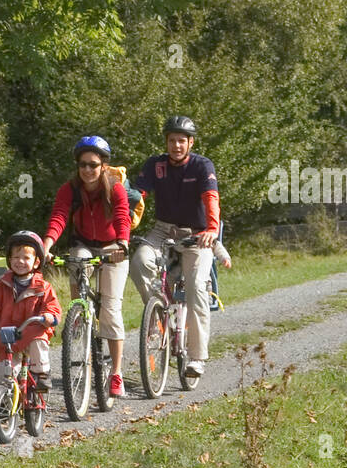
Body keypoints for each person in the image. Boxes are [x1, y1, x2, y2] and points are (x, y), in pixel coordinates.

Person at [130, 115, 220, 379]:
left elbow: (211, 198)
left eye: (181, 140)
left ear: (190, 143)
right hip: (163, 230)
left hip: (197, 235)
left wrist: (212, 229)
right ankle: (158, 314)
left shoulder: (202, 166)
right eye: (172, 140)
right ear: (166, 142)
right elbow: (138, 195)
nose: (176, 145)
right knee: (139, 262)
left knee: (197, 286)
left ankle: (197, 357)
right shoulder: (155, 164)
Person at [42, 135, 130, 397]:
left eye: (93, 164)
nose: (87, 170)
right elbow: (59, 217)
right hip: (84, 244)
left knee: (111, 310)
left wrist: (123, 244)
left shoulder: (115, 188)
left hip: (112, 247)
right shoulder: (70, 189)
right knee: (77, 268)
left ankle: (116, 373)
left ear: (103, 165)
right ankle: (79, 317)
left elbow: (122, 217)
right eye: (83, 164)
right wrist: (46, 244)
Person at [0, 232, 61, 390]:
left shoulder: (43, 287)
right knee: (3, 377)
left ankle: (42, 374)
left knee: (38, 340)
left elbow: (52, 306)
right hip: (7, 339)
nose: (20, 261)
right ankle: (5, 398)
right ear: (9, 260)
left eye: (26, 258)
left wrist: (49, 316)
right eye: (16, 257)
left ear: (36, 262)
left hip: (31, 334)